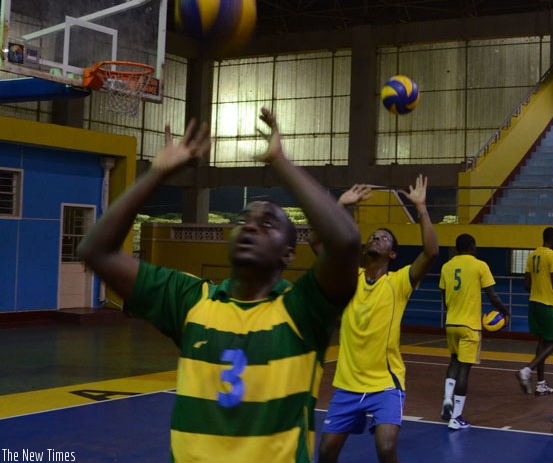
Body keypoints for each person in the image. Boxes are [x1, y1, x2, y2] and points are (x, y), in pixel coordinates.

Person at [77, 109, 362, 462]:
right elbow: (96, 250)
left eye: (268, 223)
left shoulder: (302, 310)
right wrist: (157, 174)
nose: (250, 226)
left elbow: (347, 243)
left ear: (289, 254)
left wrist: (280, 163)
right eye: (243, 220)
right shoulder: (190, 300)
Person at [318, 174, 439, 463]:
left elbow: (431, 251)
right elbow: (315, 241)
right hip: (347, 383)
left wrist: (420, 207)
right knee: (325, 453)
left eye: (384, 238)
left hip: (386, 382)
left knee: (385, 448)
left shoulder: (398, 283)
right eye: (373, 235)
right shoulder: (349, 277)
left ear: (393, 253)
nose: (376, 237)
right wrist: (340, 205)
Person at [439, 233, 510, 430]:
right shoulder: (480, 265)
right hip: (470, 325)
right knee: (464, 369)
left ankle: (447, 398)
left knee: (453, 361)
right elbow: (492, 296)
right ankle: (457, 417)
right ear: (473, 248)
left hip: (451, 323)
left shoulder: (446, 266)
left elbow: (445, 298)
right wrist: (505, 313)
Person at [516, 227, 553, 396]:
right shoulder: (552, 256)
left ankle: (541, 384)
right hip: (547, 304)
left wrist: (539, 289)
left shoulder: (532, 255)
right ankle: (527, 370)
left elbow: (527, 285)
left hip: (533, 303)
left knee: (542, 342)